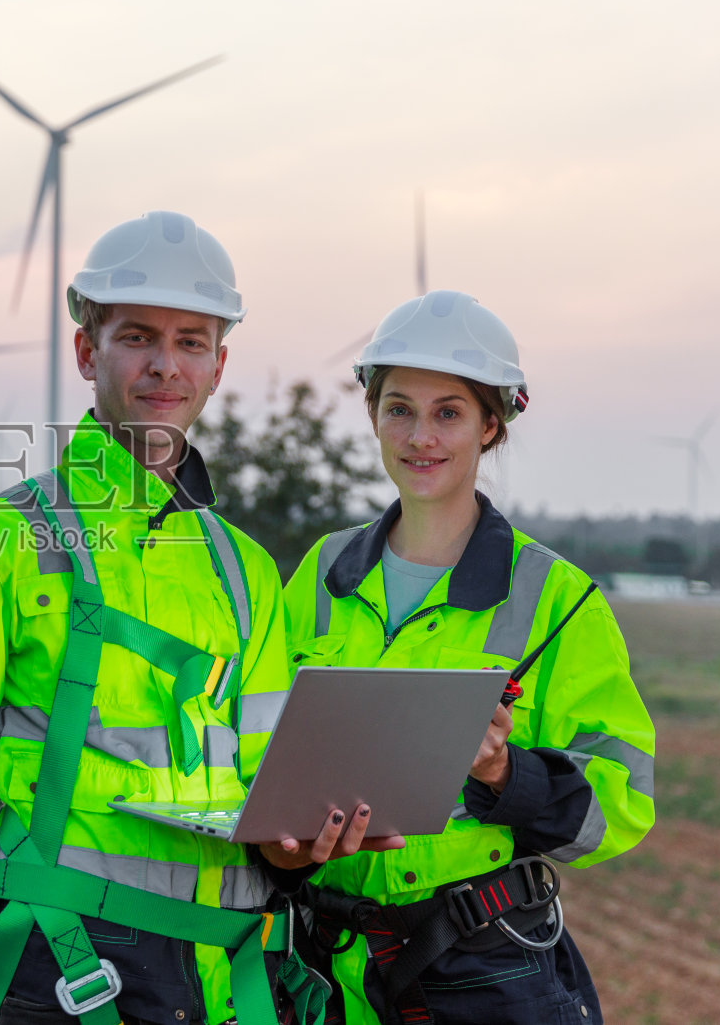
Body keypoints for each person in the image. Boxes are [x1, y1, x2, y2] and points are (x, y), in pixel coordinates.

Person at [0, 211, 397, 1025]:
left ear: (218, 366)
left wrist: (292, 850)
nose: (165, 364)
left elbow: (263, 777)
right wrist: (41, 903)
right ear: (88, 352)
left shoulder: (246, 569)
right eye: (137, 337)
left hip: (231, 977)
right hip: (68, 970)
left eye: (191, 342)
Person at [281, 290, 655, 1025]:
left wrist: (503, 774)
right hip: (320, 964)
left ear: (491, 425)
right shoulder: (320, 573)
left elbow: (622, 804)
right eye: (400, 408)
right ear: (372, 414)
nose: (420, 436)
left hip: (482, 968)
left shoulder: (558, 599)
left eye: (448, 412)